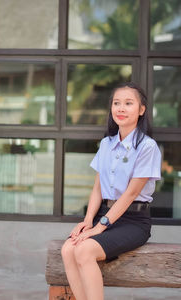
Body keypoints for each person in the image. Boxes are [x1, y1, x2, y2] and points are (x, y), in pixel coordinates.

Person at [61, 82, 161, 300]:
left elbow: (131, 193)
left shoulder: (147, 146)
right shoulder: (106, 144)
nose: (121, 108)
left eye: (128, 103)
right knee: (68, 249)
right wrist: (88, 221)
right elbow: (98, 187)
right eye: (116, 103)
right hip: (104, 214)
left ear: (141, 110)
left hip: (134, 220)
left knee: (84, 250)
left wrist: (100, 227)